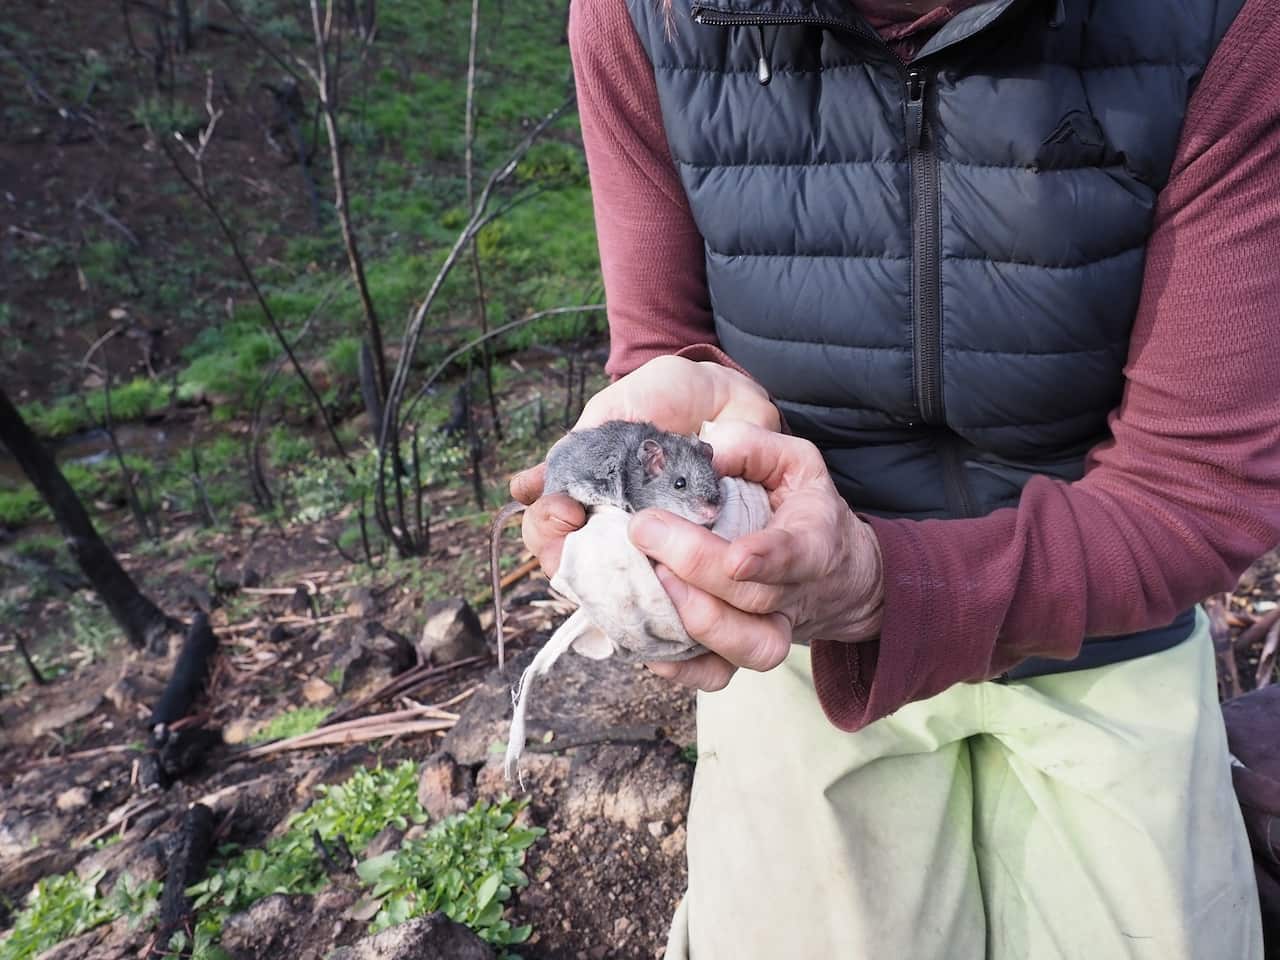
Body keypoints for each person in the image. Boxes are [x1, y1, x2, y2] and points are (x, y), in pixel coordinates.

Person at [511, 0, 1280, 956]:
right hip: (797, 627)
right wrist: (691, 406)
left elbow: (1191, 491)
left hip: (1104, 617)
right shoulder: (646, 19)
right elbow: (665, 344)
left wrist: (886, 584)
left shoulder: (1223, 23)